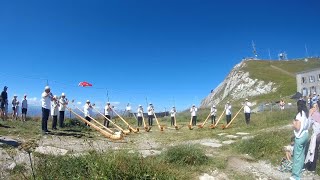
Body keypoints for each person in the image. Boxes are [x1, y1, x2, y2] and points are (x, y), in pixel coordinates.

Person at [290, 100, 309, 180]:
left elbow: (297, 127)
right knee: (302, 154)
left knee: (297, 156)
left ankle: (295, 175)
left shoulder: (299, 115)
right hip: (305, 134)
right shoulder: (306, 114)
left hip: (300, 136)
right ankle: (300, 169)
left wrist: (293, 123)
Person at [305, 103, 320, 172]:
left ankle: (312, 167)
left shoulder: (315, 115)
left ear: (317, 108)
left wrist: (310, 114)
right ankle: (311, 166)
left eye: (315, 107)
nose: (313, 108)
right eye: (313, 107)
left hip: (316, 136)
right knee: (313, 150)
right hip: (316, 135)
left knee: (313, 150)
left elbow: (307, 125)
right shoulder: (317, 115)